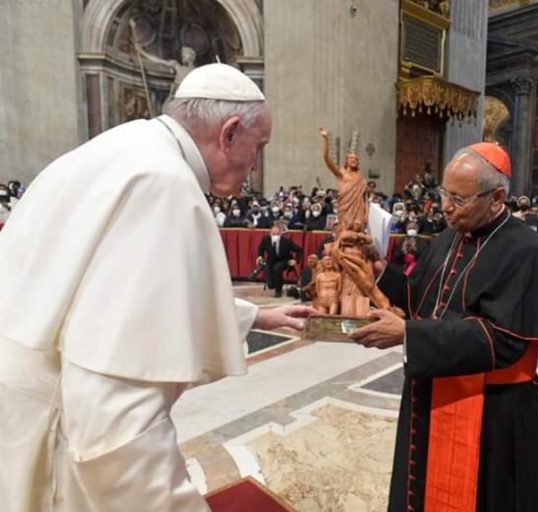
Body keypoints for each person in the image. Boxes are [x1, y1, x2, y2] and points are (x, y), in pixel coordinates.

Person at [0, 63, 314, 512]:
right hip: (54, 416)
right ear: (228, 134)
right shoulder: (164, 185)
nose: (255, 164)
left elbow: (106, 295)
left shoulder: (124, 147)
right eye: (258, 147)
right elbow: (115, 418)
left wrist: (257, 315)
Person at [350, 142, 538, 511]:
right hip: (433, 391)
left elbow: (503, 339)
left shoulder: (527, 250)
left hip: (494, 412)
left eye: (458, 198)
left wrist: (408, 335)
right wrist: (380, 271)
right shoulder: (448, 237)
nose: (446, 207)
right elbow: (419, 298)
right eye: (443, 194)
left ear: (497, 197)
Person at [319, 128, 369, 232]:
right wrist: (325, 139)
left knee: (357, 229)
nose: (354, 160)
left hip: (358, 209)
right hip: (345, 208)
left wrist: (366, 214)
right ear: (347, 161)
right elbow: (326, 158)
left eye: (356, 159)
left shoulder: (360, 179)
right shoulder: (341, 173)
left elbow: (365, 199)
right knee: (344, 232)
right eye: (351, 158)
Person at [257, 225, 302, 298]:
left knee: (277, 268)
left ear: (280, 233)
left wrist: (295, 260)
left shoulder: (286, 241)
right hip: (271, 260)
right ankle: (273, 284)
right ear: (270, 233)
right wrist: (260, 256)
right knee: (270, 284)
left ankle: (278, 290)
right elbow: (260, 249)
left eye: (277, 234)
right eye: (273, 234)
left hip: (284, 260)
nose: (275, 236)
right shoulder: (266, 239)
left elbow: (299, 250)